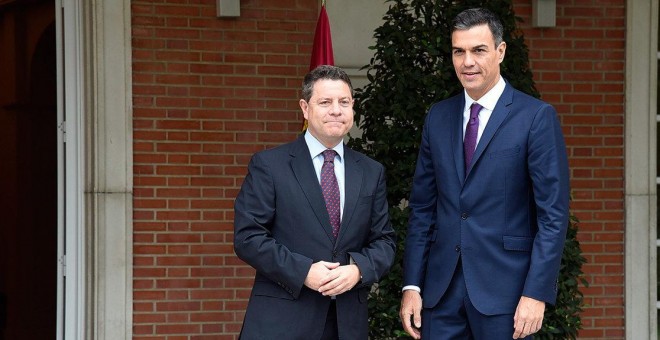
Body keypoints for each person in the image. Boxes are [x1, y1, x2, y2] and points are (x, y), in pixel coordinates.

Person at [399, 8, 569, 340]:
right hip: (441, 295)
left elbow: (553, 215)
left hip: (508, 295)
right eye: (458, 51)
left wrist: (537, 292)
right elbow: (422, 208)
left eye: (478, 50)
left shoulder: (535, 117)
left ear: (501, 51)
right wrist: (412, 285)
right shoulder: (438, 117)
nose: (467, 62)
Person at [234, 65, 396, 340]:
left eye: (344, 102)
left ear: (353, 107)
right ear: (305, 108)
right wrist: (303, 271)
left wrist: (358, 270)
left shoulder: (371, 171)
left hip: (346, 324)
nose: (336, 110)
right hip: (282, 322)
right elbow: (248, 237)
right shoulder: (270, 166)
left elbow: (385, 242)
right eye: (325, 102)